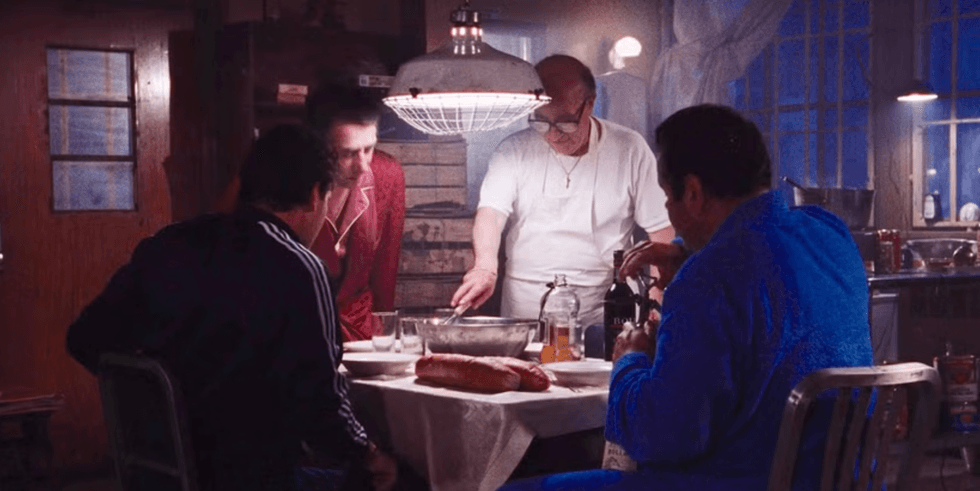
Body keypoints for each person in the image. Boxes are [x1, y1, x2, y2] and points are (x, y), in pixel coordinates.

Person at [498, 104, 873, 491]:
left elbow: (662, 438)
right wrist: (685, 249)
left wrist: (631, 361)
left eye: (667, 198)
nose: (669, 211)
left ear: (692, 193)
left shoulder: (707, 280)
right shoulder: (830, 233)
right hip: (838, 480)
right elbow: (759, 247)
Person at [66, 124, 398, 491]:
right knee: (393, 475)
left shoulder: (167, 245)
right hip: (256, 479)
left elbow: (84, 338)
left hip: (158, 473)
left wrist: (154, 404)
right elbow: (321, 406)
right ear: (315, 195)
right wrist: (369, 452)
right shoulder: (298, 266)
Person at [451, 54, 674, 327]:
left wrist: (659, 290)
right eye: (541, 121)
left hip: (605, 303)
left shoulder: (629, 148)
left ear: (590, 104)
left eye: (566, 122)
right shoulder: (513, 150)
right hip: (527, 303)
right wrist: (485, 267)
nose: (553, 134)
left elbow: (661, 228)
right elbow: (491, 214)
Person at [214, 83, 406, 342]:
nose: (362, 167)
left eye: (369, 149)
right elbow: (225, 252)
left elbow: (385, 273)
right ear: (317, 147)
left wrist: (386, 345)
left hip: (361, 332)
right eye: (347, 153)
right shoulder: (277, 180)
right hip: (292, 328)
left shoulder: (388, 174)